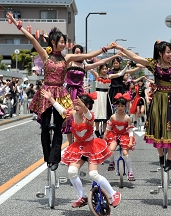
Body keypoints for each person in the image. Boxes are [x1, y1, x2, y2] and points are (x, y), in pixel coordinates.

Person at [7, 12, 115, 171]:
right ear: (53, 42)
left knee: (58, 127)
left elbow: (89, 55)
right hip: (45, 93)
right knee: (44, 128)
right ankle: (47, 156)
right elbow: (31, 38)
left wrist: (106, 48)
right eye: (61, 41)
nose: (64, 44)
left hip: (60, 93)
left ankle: (54, 159)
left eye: (65, 42)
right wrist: (16, 22)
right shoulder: (45, 55)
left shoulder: (68, 57)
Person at [113, 33, 171, 171]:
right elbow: (135, 57)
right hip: (158, 100)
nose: (170, 54)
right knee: (158, 128)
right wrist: (121, 48)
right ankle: (160, 156)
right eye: (168, 52)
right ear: (160, 53)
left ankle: (169, 159)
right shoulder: (153, 64)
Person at [40, 89, 121, 208]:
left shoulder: (89, 117)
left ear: (86, 106)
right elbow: (61, 110)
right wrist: (51, 98)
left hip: (92, 147)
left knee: (93, 174)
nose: (76, 106)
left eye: (79, 104)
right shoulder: (73, 114)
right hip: (78, 148)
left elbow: (88, 115)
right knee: (71, 172)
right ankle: (82, 196)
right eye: (76, 104)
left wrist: (84, 107)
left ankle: (114, 194)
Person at [63, 46, 119, 144]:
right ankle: (70, 145)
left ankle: (78, 142)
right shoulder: (69, 62)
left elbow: (101, 62)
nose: (78, 55)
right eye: (76, 52)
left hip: (80, 94)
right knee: (69, 117)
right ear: (72, 53)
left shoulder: (85, 65)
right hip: (70, 92)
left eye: (80, 53)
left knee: (80, 117)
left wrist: (113, 56)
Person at [104, 93, 136, 181]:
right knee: (111, 149)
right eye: (118, 106)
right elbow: (108, 128)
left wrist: (130, 142)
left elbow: (130, 131)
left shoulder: (127, 118)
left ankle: (130, 172)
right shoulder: (113, 117)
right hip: (114, 134)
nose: (120, 108)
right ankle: (111, 162)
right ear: (116, 106)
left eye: (122, 106)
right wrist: (104, 136)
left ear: (125, 107)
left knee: (125, 153)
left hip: (125, 135)